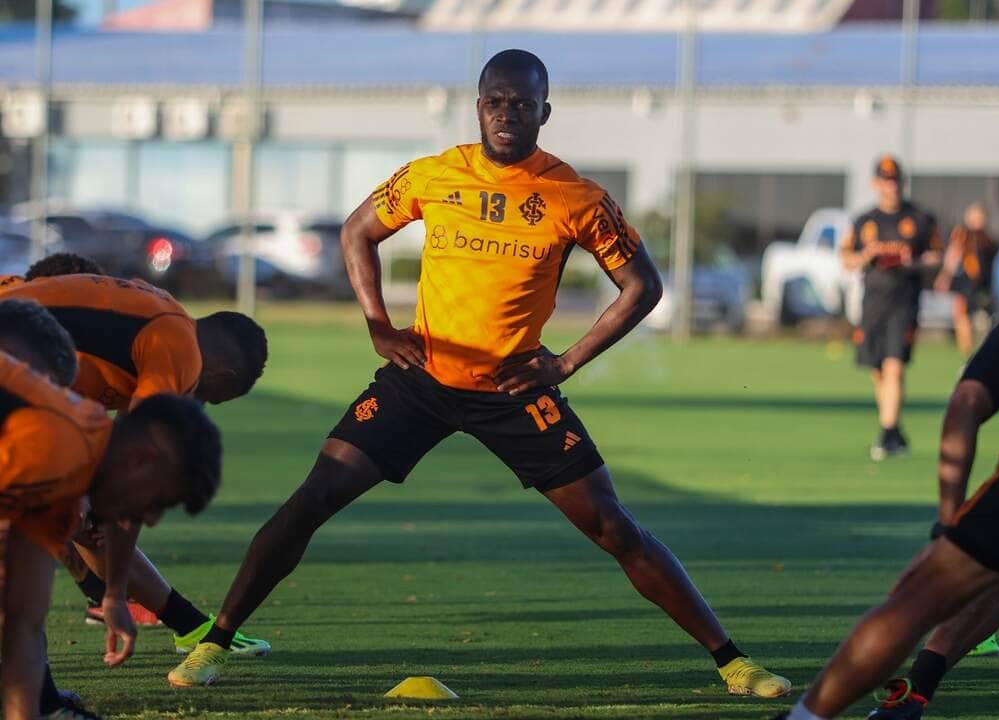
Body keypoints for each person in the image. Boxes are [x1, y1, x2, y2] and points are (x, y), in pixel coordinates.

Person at [166, 48, 791, 699]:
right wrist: (379, 325)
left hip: (513, 392)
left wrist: (565, 362)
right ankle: (215, 643)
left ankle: (733, 663)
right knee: (311, 499)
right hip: (419, 381)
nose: (507, 113)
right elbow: (357, 233)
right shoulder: (434, 175)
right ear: (478, 106)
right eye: (495, 101)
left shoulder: (575, 197)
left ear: (544, 112)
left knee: (613, 527)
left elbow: (642, 287)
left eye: (522, 103)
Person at [773, 307, 999, 720]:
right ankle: (917, 690)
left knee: (922, 594)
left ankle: (807, 717)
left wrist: (949, 524)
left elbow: (966, 402)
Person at [0, 274, 271, 712]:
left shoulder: (156, 333)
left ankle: (47, 700)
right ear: (225, 375)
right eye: (157, 503)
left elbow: (23, 617)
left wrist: (113, 592)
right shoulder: (179, 352)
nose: (152, 518)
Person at [841, 155, 941, 461]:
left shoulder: (920, 218)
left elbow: (938, 257)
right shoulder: (864, 221)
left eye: (896, 180)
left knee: (894, 366)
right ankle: (895, 432)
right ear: (876, 183)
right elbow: (846, 258)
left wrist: (913, 261)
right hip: (872, 303)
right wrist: (867, 256)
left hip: (904, 301)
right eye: (886, 180)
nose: (892, 186)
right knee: (878, 371)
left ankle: (886, 435)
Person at [934, 203, 996, 356]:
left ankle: (977, 350)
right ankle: (967, 351)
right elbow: (953, 255)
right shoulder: (963, 233)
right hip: (966, 281)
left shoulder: (986, 238)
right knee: (962, 314)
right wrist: (945, 276)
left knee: (976, 315)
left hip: (982, 282)